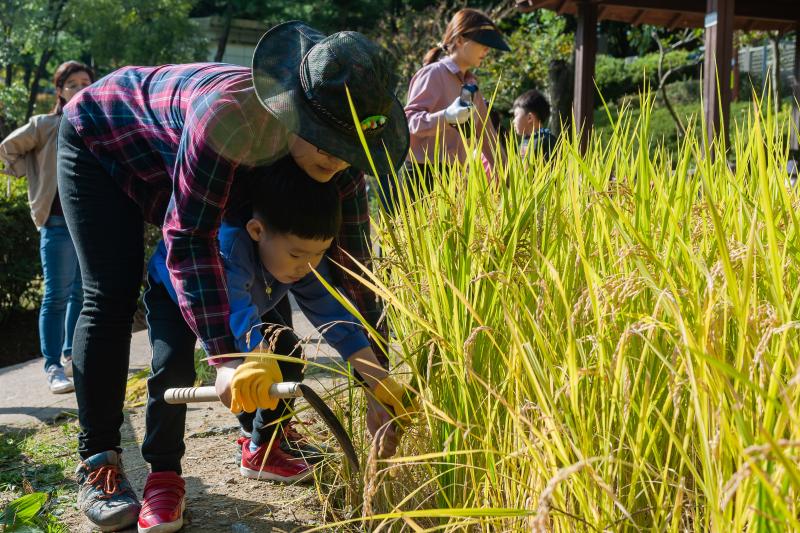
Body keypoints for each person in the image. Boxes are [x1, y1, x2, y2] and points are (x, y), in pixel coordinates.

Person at [57, 21, 409, 533]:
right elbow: (190, 240)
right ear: (298, 109)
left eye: (347, 146)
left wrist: (374, 365)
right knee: (110, 295)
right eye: (328, 142)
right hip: (108, 142)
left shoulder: (342, 153)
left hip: (200, 182)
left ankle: (266, 437)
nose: (337, 158)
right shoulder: (231, 119)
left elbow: (348, 267)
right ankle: (100, 464)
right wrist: (225, 358)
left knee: (279, 269)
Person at [141, 160, 414, 532]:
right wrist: (242, 359)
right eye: (299, 255)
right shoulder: (230, 245)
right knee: (172, 367)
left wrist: (376, 376)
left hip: (242, 316)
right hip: (179, 300)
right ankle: (162, 475)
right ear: (257, 230)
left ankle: (263, 449)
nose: (308, 266)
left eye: (319, 254)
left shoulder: (298, 257)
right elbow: (234, 311)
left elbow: (332, 313)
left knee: (286, 348)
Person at [0, 61, 94, 394]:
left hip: (86, 224)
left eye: (86, 82)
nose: (80, 88)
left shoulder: (93, 126)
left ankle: (71, 355)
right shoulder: (45, 124)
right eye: (72, 84)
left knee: (82, 295)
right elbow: (7, 147)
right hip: (55, 224)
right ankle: (52, 365)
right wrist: (32, 175)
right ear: (59, 90)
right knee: (56, 295)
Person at [379, 8, 509, 212]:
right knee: (423, 242)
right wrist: (446, 117)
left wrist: (507, 175)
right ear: (459, 40)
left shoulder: (472, 85)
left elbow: (487, 135)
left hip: (457, 175)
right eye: (483, 43)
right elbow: (408, 121)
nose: (487, 50)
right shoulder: (432, 74)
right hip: (423, 175)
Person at [511, 89, 556, 160]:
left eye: (516, 115)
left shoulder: (548, 141)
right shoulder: (523, 142)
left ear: (530, 118)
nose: (513, 121)